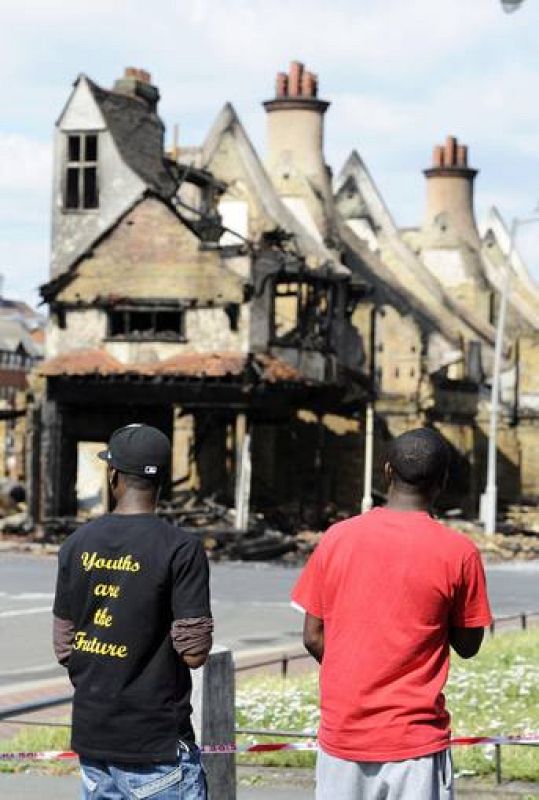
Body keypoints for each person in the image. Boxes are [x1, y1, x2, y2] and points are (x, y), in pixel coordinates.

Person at [291, 427, 492, 800]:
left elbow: (312, 636)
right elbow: (468, 644)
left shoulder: (337, 538)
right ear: (442, 482)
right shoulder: (459, 552)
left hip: (344, 738)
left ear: (386, 472)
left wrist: (356, 672)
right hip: (416, 745)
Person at [53, 423, 213, 800]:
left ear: (114, 476)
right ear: (162, 484)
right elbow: (193, 653)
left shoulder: (76, 545)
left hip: (95, 740)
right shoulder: (181, 548)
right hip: (156, 744)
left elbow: (64, 646)